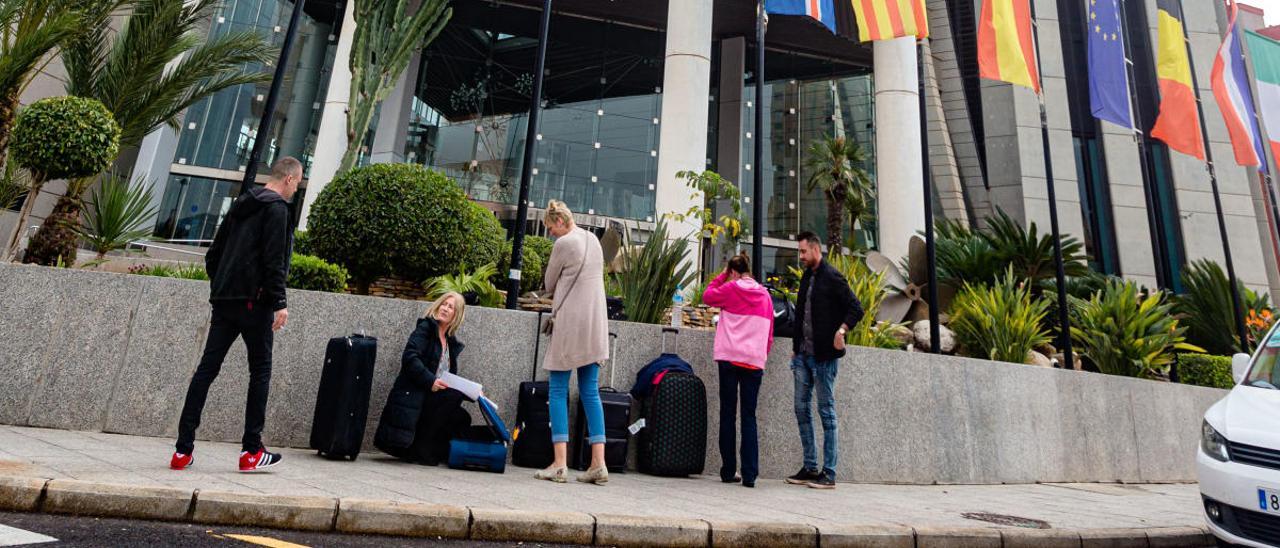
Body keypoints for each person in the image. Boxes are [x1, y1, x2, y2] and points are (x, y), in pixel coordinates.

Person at [170, 157, 302, 472]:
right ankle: (251, 451)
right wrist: (279, 301)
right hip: (255, 304)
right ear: (288, 179)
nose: (295, 189)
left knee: (206, 370)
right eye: (296, 183)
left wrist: (222, 287)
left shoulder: (241, 204)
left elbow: (213, 255)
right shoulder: (277, 210)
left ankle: (182, 451)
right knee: (260, 373)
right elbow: (274, 260)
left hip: (225, 301)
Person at [533, 200, 610, 485]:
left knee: (557, 390)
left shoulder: (564, 243)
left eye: (551, 227)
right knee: (590, 392)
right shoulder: (593, 239)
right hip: (594, 324)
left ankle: (560, 463)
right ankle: (598, 464)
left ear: (561, 221)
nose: (551, 233)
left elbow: (549, 283)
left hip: (570, 325)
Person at [786, 231, 862, 489]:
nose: (801, 256)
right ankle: (810, 467)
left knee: (826, 412)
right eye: (800, 252)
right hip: (803, 357)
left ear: (816, 249)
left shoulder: (832, 277)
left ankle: (828, 473)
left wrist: (841, 331)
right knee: (801, 409)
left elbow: (856, 308)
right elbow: (801, 315)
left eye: (803, 251)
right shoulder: (807, 276)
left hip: (824, 359)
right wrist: (796, 348)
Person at [374, 292, 472, 465]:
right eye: (444, 304)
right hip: (416, 393)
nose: (445, 308)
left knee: (462, 417)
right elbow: (410, 358)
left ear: (456, 315)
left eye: (451, 307)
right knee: (452, 398)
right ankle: (420, 449)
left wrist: (473, 393)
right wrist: (431, 381)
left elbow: (448, 377)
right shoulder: (425, 328)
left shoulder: (450, 342)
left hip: (433, 396)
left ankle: (434, 450)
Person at [702, 252, 773, 488]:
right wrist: (760, 354)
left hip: (730, 359)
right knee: (749, 416)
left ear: (733, 271)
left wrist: (722, 276)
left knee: (728, 414)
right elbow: (770, 334)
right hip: (754, 361)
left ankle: (728, 470)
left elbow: (707, 295)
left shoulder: (730, 289)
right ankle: (750, 475)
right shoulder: (765, 295)